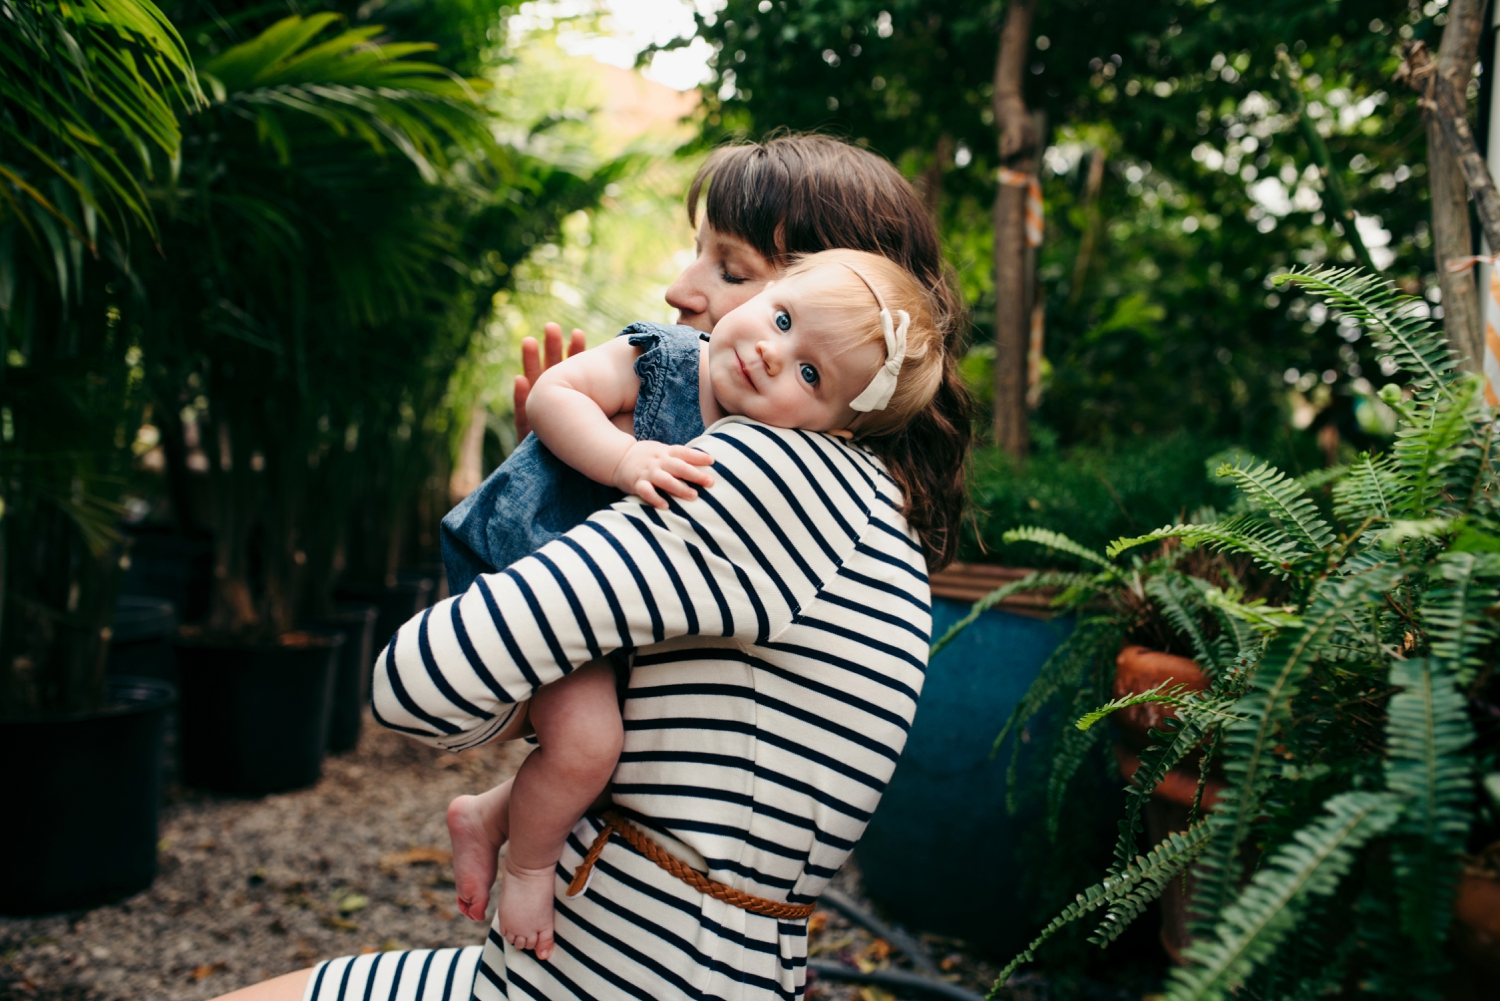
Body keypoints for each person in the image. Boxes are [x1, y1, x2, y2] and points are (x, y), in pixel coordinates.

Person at [211, 132, 974, 1001]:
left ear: (845, 293)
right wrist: (573, 482)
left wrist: (562, 532)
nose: (680, 291)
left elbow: (418, 687)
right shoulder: (863, 501)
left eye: (730, 268)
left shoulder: (766, 475)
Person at [443, 248, 946, 961]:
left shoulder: (774, 468)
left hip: (610, 610)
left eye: (810, 373)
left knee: (627, 753)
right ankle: (527, 869)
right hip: (530, 553)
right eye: (780, 317)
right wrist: (622, 461)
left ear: (835, 433)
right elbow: (556, 392)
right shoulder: (669, 357)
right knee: (589, 743)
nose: (771, 354)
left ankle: (489, 814)